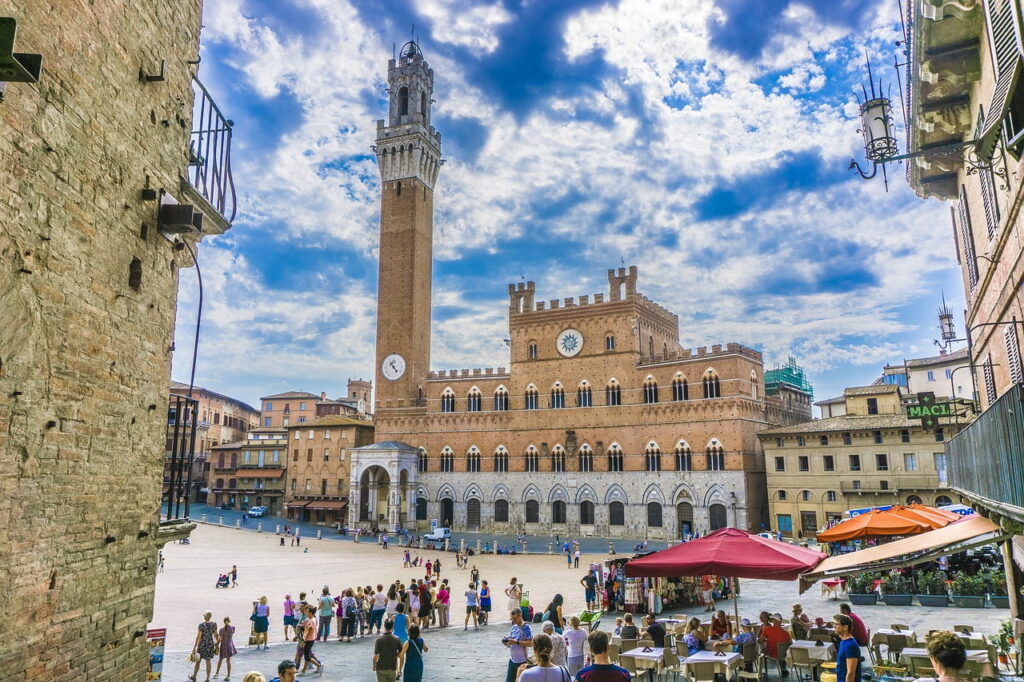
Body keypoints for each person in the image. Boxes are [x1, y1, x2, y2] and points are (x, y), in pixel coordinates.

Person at [504, 608, 534, 682]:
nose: (513, 621)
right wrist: (507, 643)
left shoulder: (526, 627)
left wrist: (516, 642)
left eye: (515, 618)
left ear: (520, 615)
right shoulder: (513, 627)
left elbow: (530, 643)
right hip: (512, 660)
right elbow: (511, 642)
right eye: (512, 619)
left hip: (522, 661)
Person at [189, 611, 219, 682]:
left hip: (202, 645)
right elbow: (216, 635)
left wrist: (194, 647)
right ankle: (208, 678)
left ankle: (194, 676)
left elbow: (198, 637)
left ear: (204, 617)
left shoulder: (201, 625)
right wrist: (217, 645)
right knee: (208, 661)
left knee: (198, 661)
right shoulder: (214, 624)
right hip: (210, 645)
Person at [372, 618, 403, 682]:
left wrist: (374, 665)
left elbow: (375, 656)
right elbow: (401, 654)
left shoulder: (379, 640)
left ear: (384, 626)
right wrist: (396, 654)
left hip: (381, 668)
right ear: (392, 626)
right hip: (392, 667)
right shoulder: (397, 639)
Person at [833, 614, 862, 682]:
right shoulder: (843, 640)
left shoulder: (850, 645)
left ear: (845, 627)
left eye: (836, 624)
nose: (834, 626)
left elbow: (851, 673)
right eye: (834, 624)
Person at [299, 605, 323, 675]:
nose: (306, 612)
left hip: (308, 640)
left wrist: (304, 641)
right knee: (307, 655)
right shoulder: (313, 619)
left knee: (307, 657)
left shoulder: (310, 621)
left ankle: (319, 665)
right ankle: (303, 670)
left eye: (307, 611)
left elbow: (308, 631)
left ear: (310, 613)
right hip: (312, 639)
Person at [215, 616, 237, 681]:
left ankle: (217, 673)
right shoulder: (232, 628)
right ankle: (228, 675)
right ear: (229, 621)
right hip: (229, 645)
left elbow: (219, 639)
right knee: (228, 661)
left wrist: (216, 645)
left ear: (223, 622)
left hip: (223, 645)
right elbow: (231, 631)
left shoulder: (221, 630)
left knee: (220, 660)